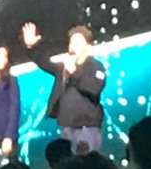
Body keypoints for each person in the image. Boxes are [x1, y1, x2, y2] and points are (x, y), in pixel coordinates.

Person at [20, 21, 105, 153]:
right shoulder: (64, 68)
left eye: (77, 41)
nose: (73, 44)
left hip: (86, 128)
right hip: (66, 127)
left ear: (88, 46)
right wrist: (32, 46)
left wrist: (74, 73)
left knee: (86, 163)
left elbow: (93, 88)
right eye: (71, 41)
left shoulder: (95, 67)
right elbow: (43, 62)